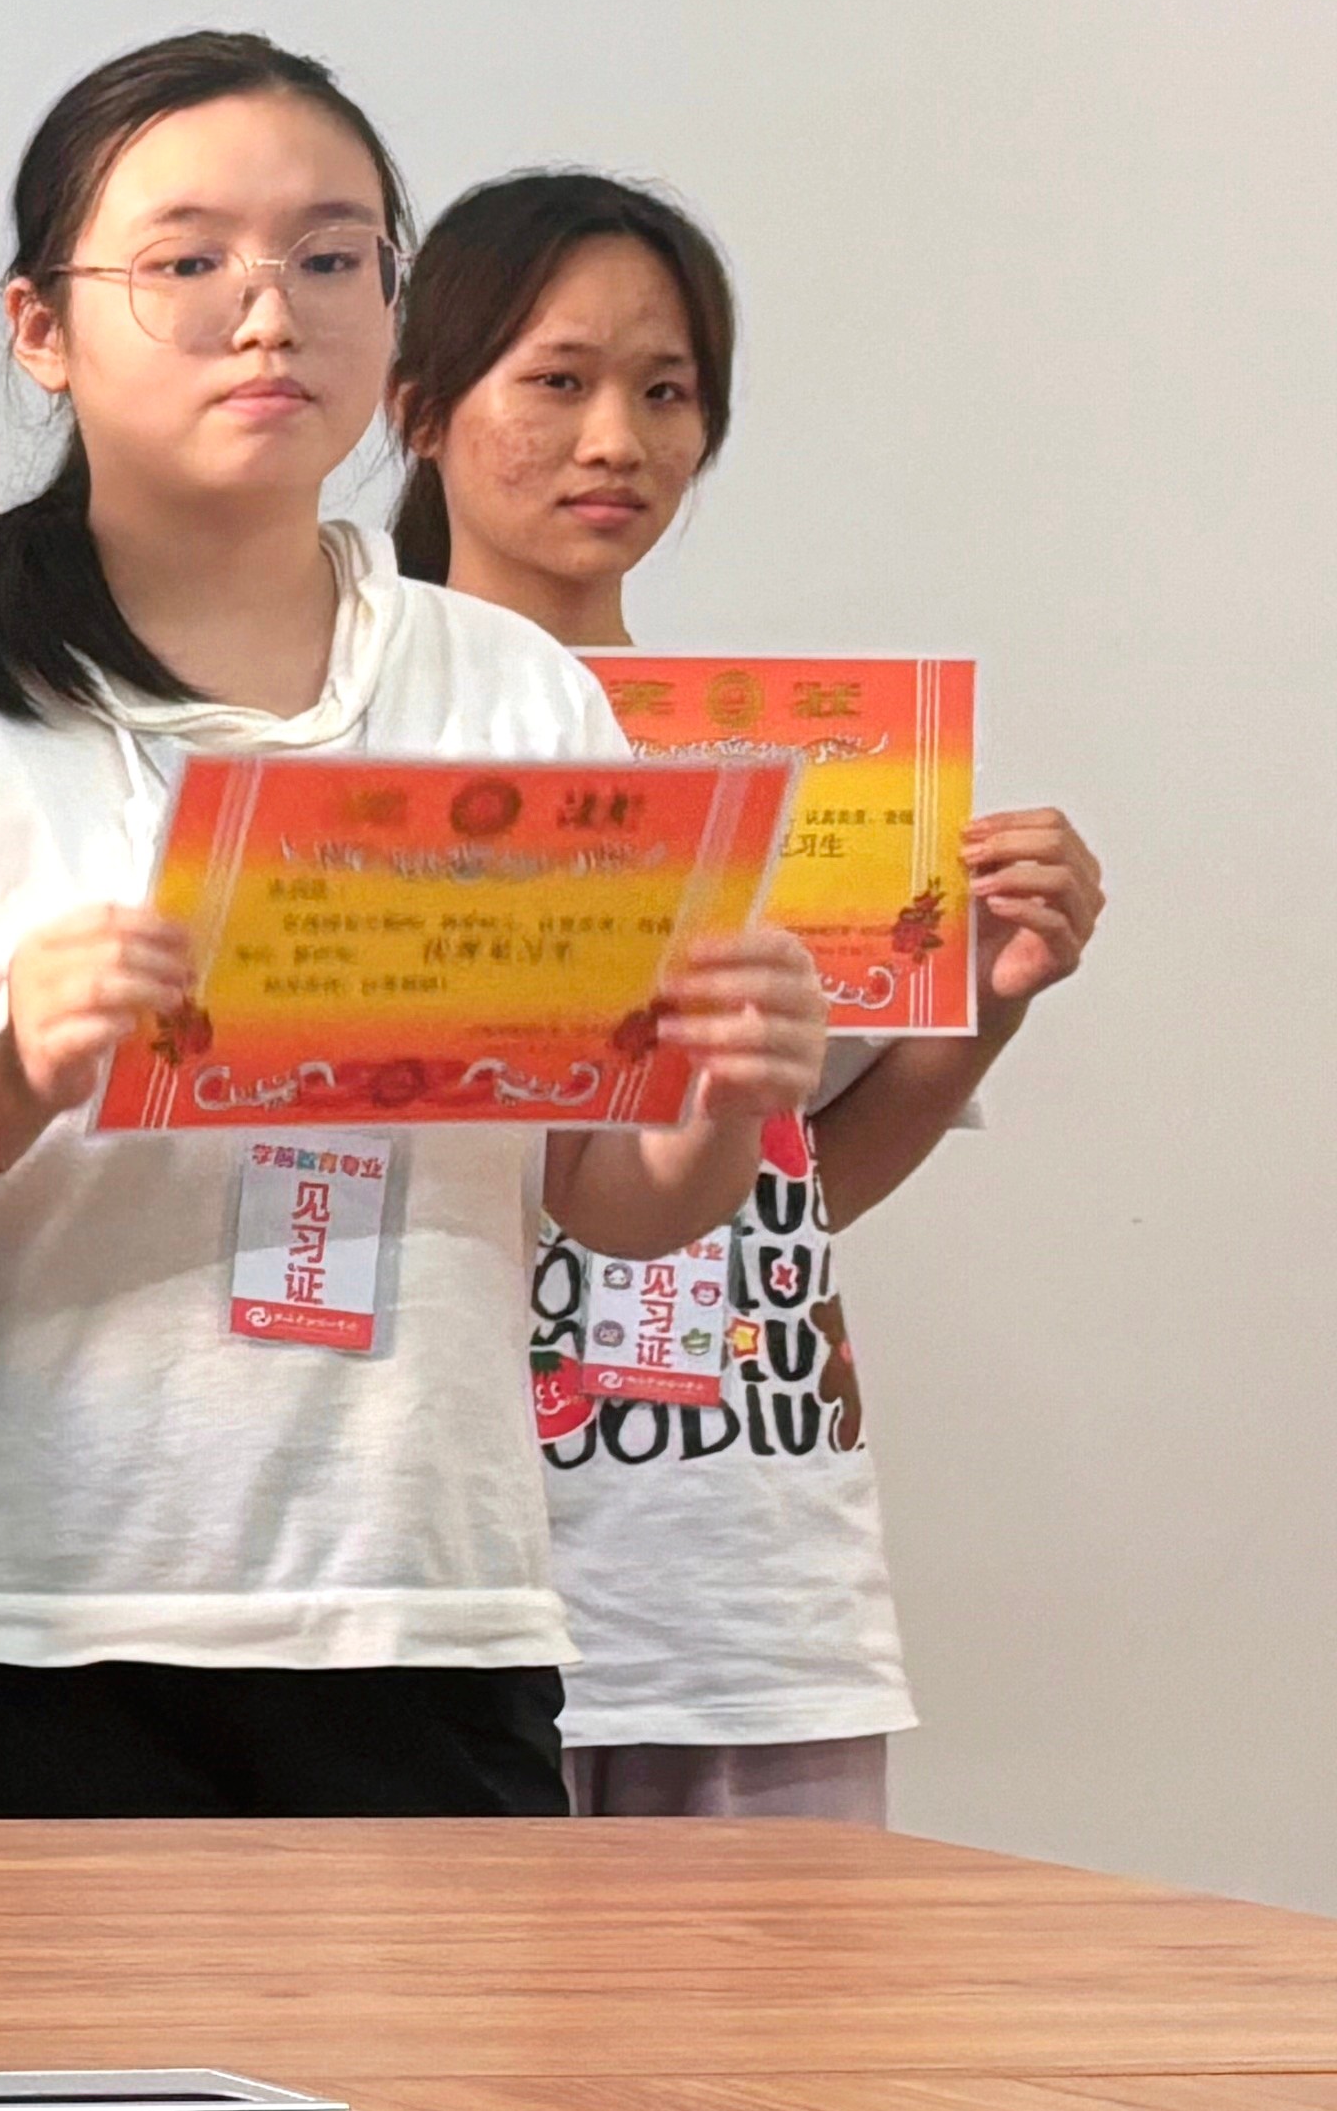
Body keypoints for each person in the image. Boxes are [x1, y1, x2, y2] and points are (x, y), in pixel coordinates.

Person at [0, 35, 831, 1816]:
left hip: (419, 1606)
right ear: (41, 327)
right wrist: (16, 1073)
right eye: (189, 261)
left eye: (331, 258)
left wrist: (729, 1084)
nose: (270, 314)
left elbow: (614, 1196)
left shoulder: (516, 693)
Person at [390, 169, 1104, 1824]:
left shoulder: (789, 776)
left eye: (667, 391)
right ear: (419, 407)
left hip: (751, 1577)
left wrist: (991, 994)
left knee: (777, 2005)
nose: (616, 442)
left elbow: (793, 1190)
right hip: (453, 1583)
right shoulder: (348, 766)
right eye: (558, 381)